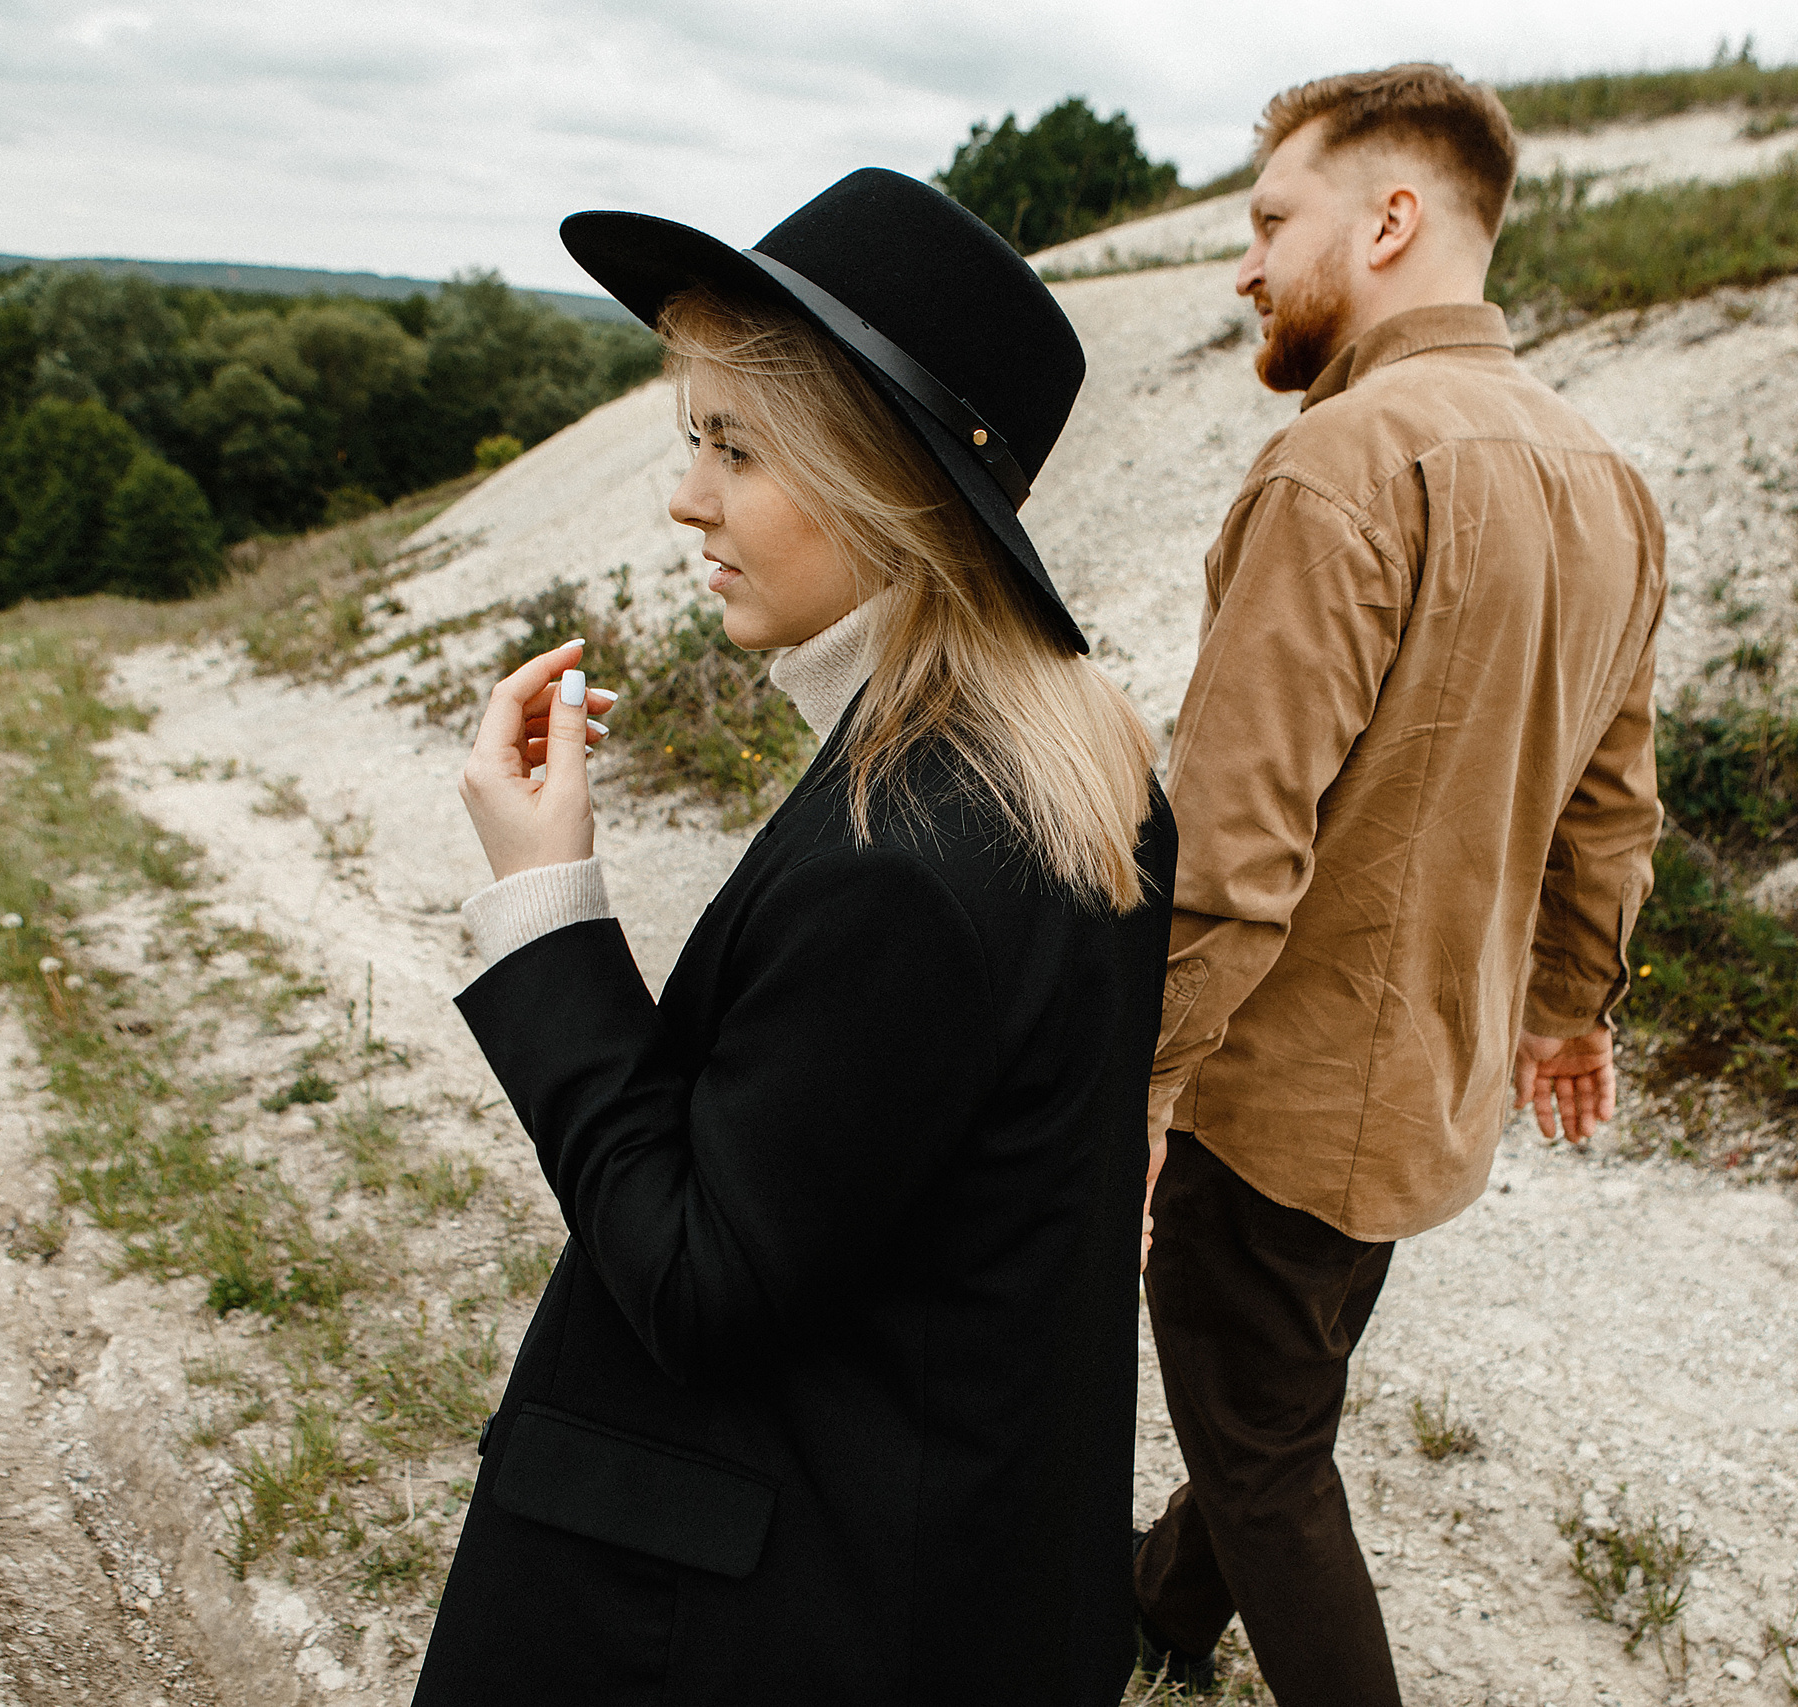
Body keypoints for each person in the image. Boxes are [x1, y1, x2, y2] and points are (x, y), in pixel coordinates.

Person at [416, 167, 1174, 1707]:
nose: (687, 498)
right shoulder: (1062, 751)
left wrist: (542, 902)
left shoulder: (911, 851)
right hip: (930, 1566)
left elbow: (702, 1282)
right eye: (690, 438)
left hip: (777, 1625)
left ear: (883, 477)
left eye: (738, 447)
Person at [1131, 66, 1666, 1704]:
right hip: (1425, 1088)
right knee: (1273, 1401)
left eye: (1271, 221)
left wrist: (1133, 1087)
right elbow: (1614, 806)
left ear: (1389, 220)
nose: (1247, 266)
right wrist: (1570, 1010)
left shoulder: (1339, 466)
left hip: (1272, 1095)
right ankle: (1152, 1613)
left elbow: (1229, 846)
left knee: (1269, 1450)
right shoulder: (1609, 484)